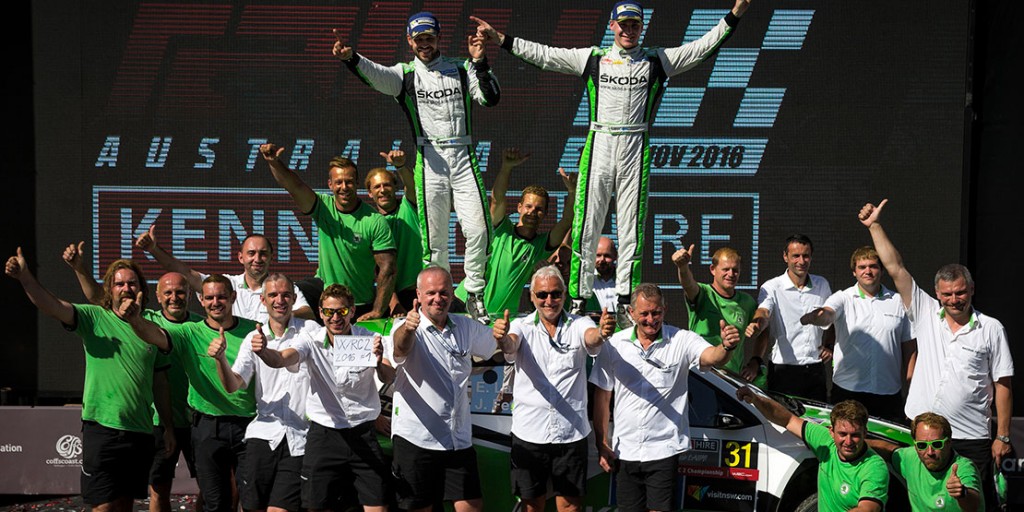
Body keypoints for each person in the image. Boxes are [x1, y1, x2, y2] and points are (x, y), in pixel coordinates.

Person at [472, 0, 752, 321]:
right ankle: (578, 297)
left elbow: (703, 47)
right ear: (612, 26)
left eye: (635, 25)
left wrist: (735, 14)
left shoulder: (656, 60)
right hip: (599, 141)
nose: (629, 30)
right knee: (588, 223)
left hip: (636, 142)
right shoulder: (593, 58)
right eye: (624, 24)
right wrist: (501, 38)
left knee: (631, 225)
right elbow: (545, 56)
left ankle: (623, 301)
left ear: (641, 27)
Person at [334, 12, 500, 323]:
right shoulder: (405, 74)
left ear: (439, 37)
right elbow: (377, 75)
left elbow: (490, 99)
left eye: (429, 37)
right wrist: (351, 58)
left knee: (479, 229)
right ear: (410, 41)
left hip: (463, 154)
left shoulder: (462, 68)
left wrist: (480, 62)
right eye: (418, 39)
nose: (425, 43)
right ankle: (436, 300)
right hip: (429, 159)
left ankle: (474, 294)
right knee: (435, 240)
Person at [860, 199, 1013, 510]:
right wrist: (874, 226)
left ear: (971, 290)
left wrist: (1004, 436)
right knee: (914, 502)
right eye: (947, 294)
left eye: (960, 292)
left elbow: (1003, 384)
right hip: (919, 434)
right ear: (937, 294)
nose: (954, 300)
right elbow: (895, 267)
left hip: (970, 439)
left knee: (972, 506)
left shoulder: (992, 328)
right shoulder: (925, 311)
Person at [6, 248, 170, 512]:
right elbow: (52, 305)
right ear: (109, 289)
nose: (125, 288)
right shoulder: (94, 318)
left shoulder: (152, 323)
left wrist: (169, 427)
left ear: (142, 288)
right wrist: (25, 277)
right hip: (102, 429)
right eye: (119, 283)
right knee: (103, 507)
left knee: (124, 505)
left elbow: (160, 380)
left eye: (132, 282)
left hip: (140, 430)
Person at [62, 242, 202, 512]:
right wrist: (79, 269)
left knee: (212, 488)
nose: (175, 297)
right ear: (158, 296)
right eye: (169, 293)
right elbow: (98, 299)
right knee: (155, 490)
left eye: (181, 292)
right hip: (156, 421)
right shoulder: (141, 319)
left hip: (196, 418)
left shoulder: (196, 325)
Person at [243, 283, 393, 512]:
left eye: (342, 311)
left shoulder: (369, 338)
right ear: (321, 313)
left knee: (378, 506)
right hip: (325, 435)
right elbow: (283, 358)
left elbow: (388, 374)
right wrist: (264, 352)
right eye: (329, 312)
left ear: (352, 311)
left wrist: (380, 358)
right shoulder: (310, 340)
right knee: (317, 506)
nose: (335, 318)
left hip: (362, 433)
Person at [590, 283, 739, 512]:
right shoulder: (614, 346)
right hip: (625, 450)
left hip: (663, 451)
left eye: (656, 313)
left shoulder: (682, 340)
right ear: (631, 313)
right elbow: (602, 397)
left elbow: (712, 358)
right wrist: (602, 443)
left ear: (665, 309)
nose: (651, 319)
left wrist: (726, 347)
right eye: (644, 314)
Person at [128, 274, 258, 512]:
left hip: (249, 426)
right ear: (201, 300)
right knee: (215, 503)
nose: (215, 302)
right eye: (209, 298)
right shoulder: (189, 332)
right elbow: (157, 336)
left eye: (221, 297)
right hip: (207, 427)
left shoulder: (253, 331)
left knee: (252, 502)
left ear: (233, 297)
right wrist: (135, 320)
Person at [493, 266, 615, 511]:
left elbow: (591, 338)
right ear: (532, 296)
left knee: (570, 507)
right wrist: (501, 337)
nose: (549, 300)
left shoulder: (579, 324)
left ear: (564, 295)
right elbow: (510, 345)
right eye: (542, 295)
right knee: (530, 506)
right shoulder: (521, 326)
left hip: (571, 435)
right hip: (529, 434)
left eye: (556, 294)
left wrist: (601, 334)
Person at [386, 267, 502, 512]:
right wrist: (408, 329)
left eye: (443, 292)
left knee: (471, 506)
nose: (438, 298)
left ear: (452, 293)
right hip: (417, 440)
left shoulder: (465, 326)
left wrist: (504, 337)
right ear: (418, 295)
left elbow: (496, 346)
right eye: (430, 293)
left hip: (457, 439)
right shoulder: (404, 326)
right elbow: (400, 349)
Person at [211, 273, 316, 512]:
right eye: (273, 295)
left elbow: (283, 359)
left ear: (293, 298)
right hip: (263, 434)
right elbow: (233, 385)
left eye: (286, 295)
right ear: (263, 301)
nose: (280, 300)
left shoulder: (310, 330)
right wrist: (220, 360)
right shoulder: (252, 338)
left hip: (300, 438)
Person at [260, 144, 397, 321]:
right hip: (325, 296)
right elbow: (294, 186)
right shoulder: (323, 207)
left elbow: (388, 268)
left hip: (359, 304)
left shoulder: (374, 220)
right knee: (295, 291)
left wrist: (378, 311)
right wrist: (275, 163)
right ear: (330, 184)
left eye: (349, 181)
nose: (344, 187)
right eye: (338, 182)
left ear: (356, 184)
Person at [454, 147, 576, 321]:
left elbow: (566, 222)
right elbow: (497, 198)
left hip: (500, 317)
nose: (532, 212)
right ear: (519, 207)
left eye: (539, 209)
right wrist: (506, 167)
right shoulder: (501, 229)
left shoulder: (540, 246)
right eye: (528, 206)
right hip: (463, 304)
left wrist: (572, 192)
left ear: (545, 214)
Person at [799, 246, 914, 422]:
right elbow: (828, 314)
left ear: (881, 270)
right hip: (848, 392)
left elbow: (909, 348)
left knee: (889, 448)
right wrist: (817, 316)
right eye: (862, 267)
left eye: (873, 266)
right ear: (854, 272)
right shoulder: (843, 298)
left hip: (888, 394)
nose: (868, 271)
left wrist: (912, 389)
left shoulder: (898, 301)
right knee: (846, 445)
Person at [736, 389, 888, 511]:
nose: (848, 441)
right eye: (842, 434)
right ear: (831, 431)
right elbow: (787, 419)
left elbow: (869, 508)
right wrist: (756, 400)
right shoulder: (824, 441)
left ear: (865, 433)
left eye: (855, 435)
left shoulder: (874, 467)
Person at [132, 232, 313, 323]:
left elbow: (308, 314)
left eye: (263, 254)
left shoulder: (283, 289)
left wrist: (276, 316)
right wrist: (154, 250)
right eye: (251, 253)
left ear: (272, 257)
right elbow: (186, 273)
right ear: (241, 257)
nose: (257, 259)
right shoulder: (225, 284)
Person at [745, 234, 833, 402]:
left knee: (816, 424)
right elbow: (764, 311)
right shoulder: (771, 286)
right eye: (796, 256)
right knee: (782, 425)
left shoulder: (822, 284)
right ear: (785, 257)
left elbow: (831, 319)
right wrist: (757, 323)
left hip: (815, 370)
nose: (801, 261)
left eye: (806, 256)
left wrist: (829, 345)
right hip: (782, 371)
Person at [673, 245, 760, 380]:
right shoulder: (703, 293)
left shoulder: (747, 302)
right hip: (701, 377)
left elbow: (763, 328)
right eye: (725, 269)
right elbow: (688, 284)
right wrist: (683, 267)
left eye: (735, 270)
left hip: (732, 381)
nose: (731, 274)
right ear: (713, 270)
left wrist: (756, 362)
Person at [870, 412, 983, 512]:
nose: (929, 452)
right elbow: (888, 449)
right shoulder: (911, 458)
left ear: (948, 443)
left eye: (937, 444)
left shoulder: (963, 467)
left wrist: (962, 493)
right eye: (922, 445)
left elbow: (973, 506)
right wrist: (856, 444)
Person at [365, 149, 421, 314]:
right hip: (392, 297)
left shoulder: (408, 207)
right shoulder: (369, 222)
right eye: (377, 187)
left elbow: (413, 187)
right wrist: (394, 303)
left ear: (395, 188)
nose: (382, 190)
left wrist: (401, 166)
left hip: (420, 291)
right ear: (370, 193)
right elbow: (380, 268)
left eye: (387, 184)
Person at [587, 237, 618, 314]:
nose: (602, 259)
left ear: (615, 256)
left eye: (607, 256)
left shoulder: (624, 281)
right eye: (598, 255)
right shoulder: (586, 281)